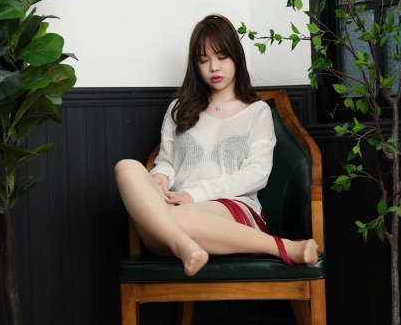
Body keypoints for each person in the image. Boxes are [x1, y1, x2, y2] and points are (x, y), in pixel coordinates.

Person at [114, 14, 319, 276]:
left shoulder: (257, 112)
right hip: (173, 211)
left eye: (222, 57)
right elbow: (166, 161)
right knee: (126, 167)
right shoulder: (179, 109)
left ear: (236, 58)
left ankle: (278, 246)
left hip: (229, 209)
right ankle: (185, 246)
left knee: (176, 218)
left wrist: (195, 195)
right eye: (203, 60)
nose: (213, 67)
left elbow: (256, 173)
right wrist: (160, 179)